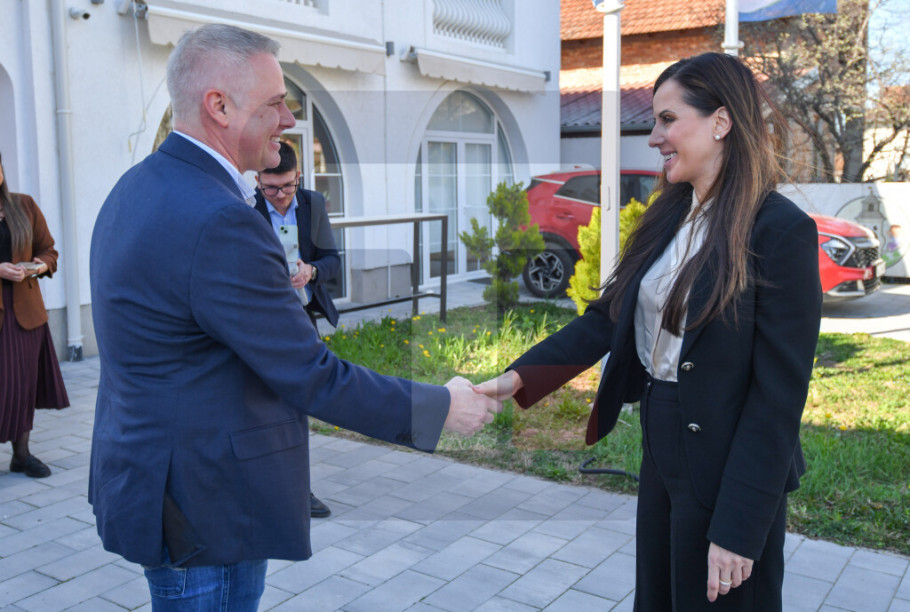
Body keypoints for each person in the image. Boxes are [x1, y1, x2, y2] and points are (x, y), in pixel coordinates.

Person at [89, 23, 500, 611]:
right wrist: (439, 407)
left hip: (165, 480)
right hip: (206, 505)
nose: (288, 119)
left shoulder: (139, 185)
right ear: (219, 106)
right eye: (276, 103)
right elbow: (311, 374)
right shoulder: (219, 218)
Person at [477, 52, 822, 611]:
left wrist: (739, 528)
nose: (654, 137)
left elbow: (778, 398)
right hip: (662, 442)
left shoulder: (779, 231)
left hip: (730, 462)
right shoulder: (668, 213)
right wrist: (517, 379)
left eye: (667, 119)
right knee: (659, 598)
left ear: (721, 121)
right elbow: (607, 317)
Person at [254, 141, 340, 518]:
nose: (279, 196)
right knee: (258, 405)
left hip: (300, 317)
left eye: (287, 186)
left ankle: (297, 490)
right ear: (257, 181)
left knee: (297, 402)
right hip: (257, 319)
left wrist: (312, 270)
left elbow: (333, 260)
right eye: (270, 188)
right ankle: (260, 484)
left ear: (298, 177)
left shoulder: (313, 204)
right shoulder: (244, 207)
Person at [0, 151, 70, 479]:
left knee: (23, 384)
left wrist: (37, 266)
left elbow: (48, 251)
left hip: (25, 313)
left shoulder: (24, 205)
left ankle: (21, 455)